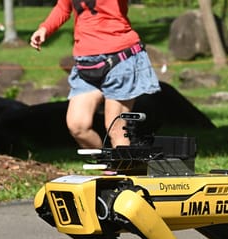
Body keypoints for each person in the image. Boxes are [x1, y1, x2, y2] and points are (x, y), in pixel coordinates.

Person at [30, 0, 160, 149]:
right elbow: (63, 7)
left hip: (119, 58)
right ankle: (109, 166)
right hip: (86, 62)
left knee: (116, 127)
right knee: (77, 126)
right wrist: (45, 28)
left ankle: (125, 169)